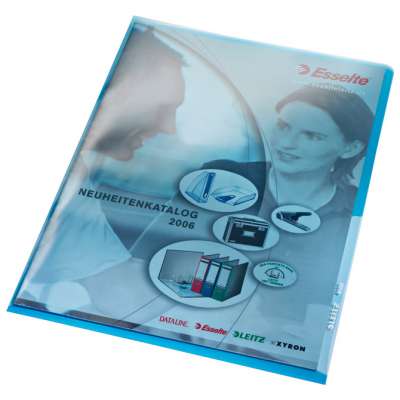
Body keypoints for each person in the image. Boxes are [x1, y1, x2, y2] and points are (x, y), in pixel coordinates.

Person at [126, 85, 375, 368]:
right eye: (283, 126)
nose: (286, 143)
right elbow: (144, 263)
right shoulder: (218, 178)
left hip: (278, 360)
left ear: (351, 147)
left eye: (312, 136)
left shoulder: (355, 212)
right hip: (175, 335)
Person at [16, 28, 186, 320]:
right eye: (161, 108)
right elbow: (112, 289)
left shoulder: (77, 172)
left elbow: (106, 278)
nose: (168, 127)